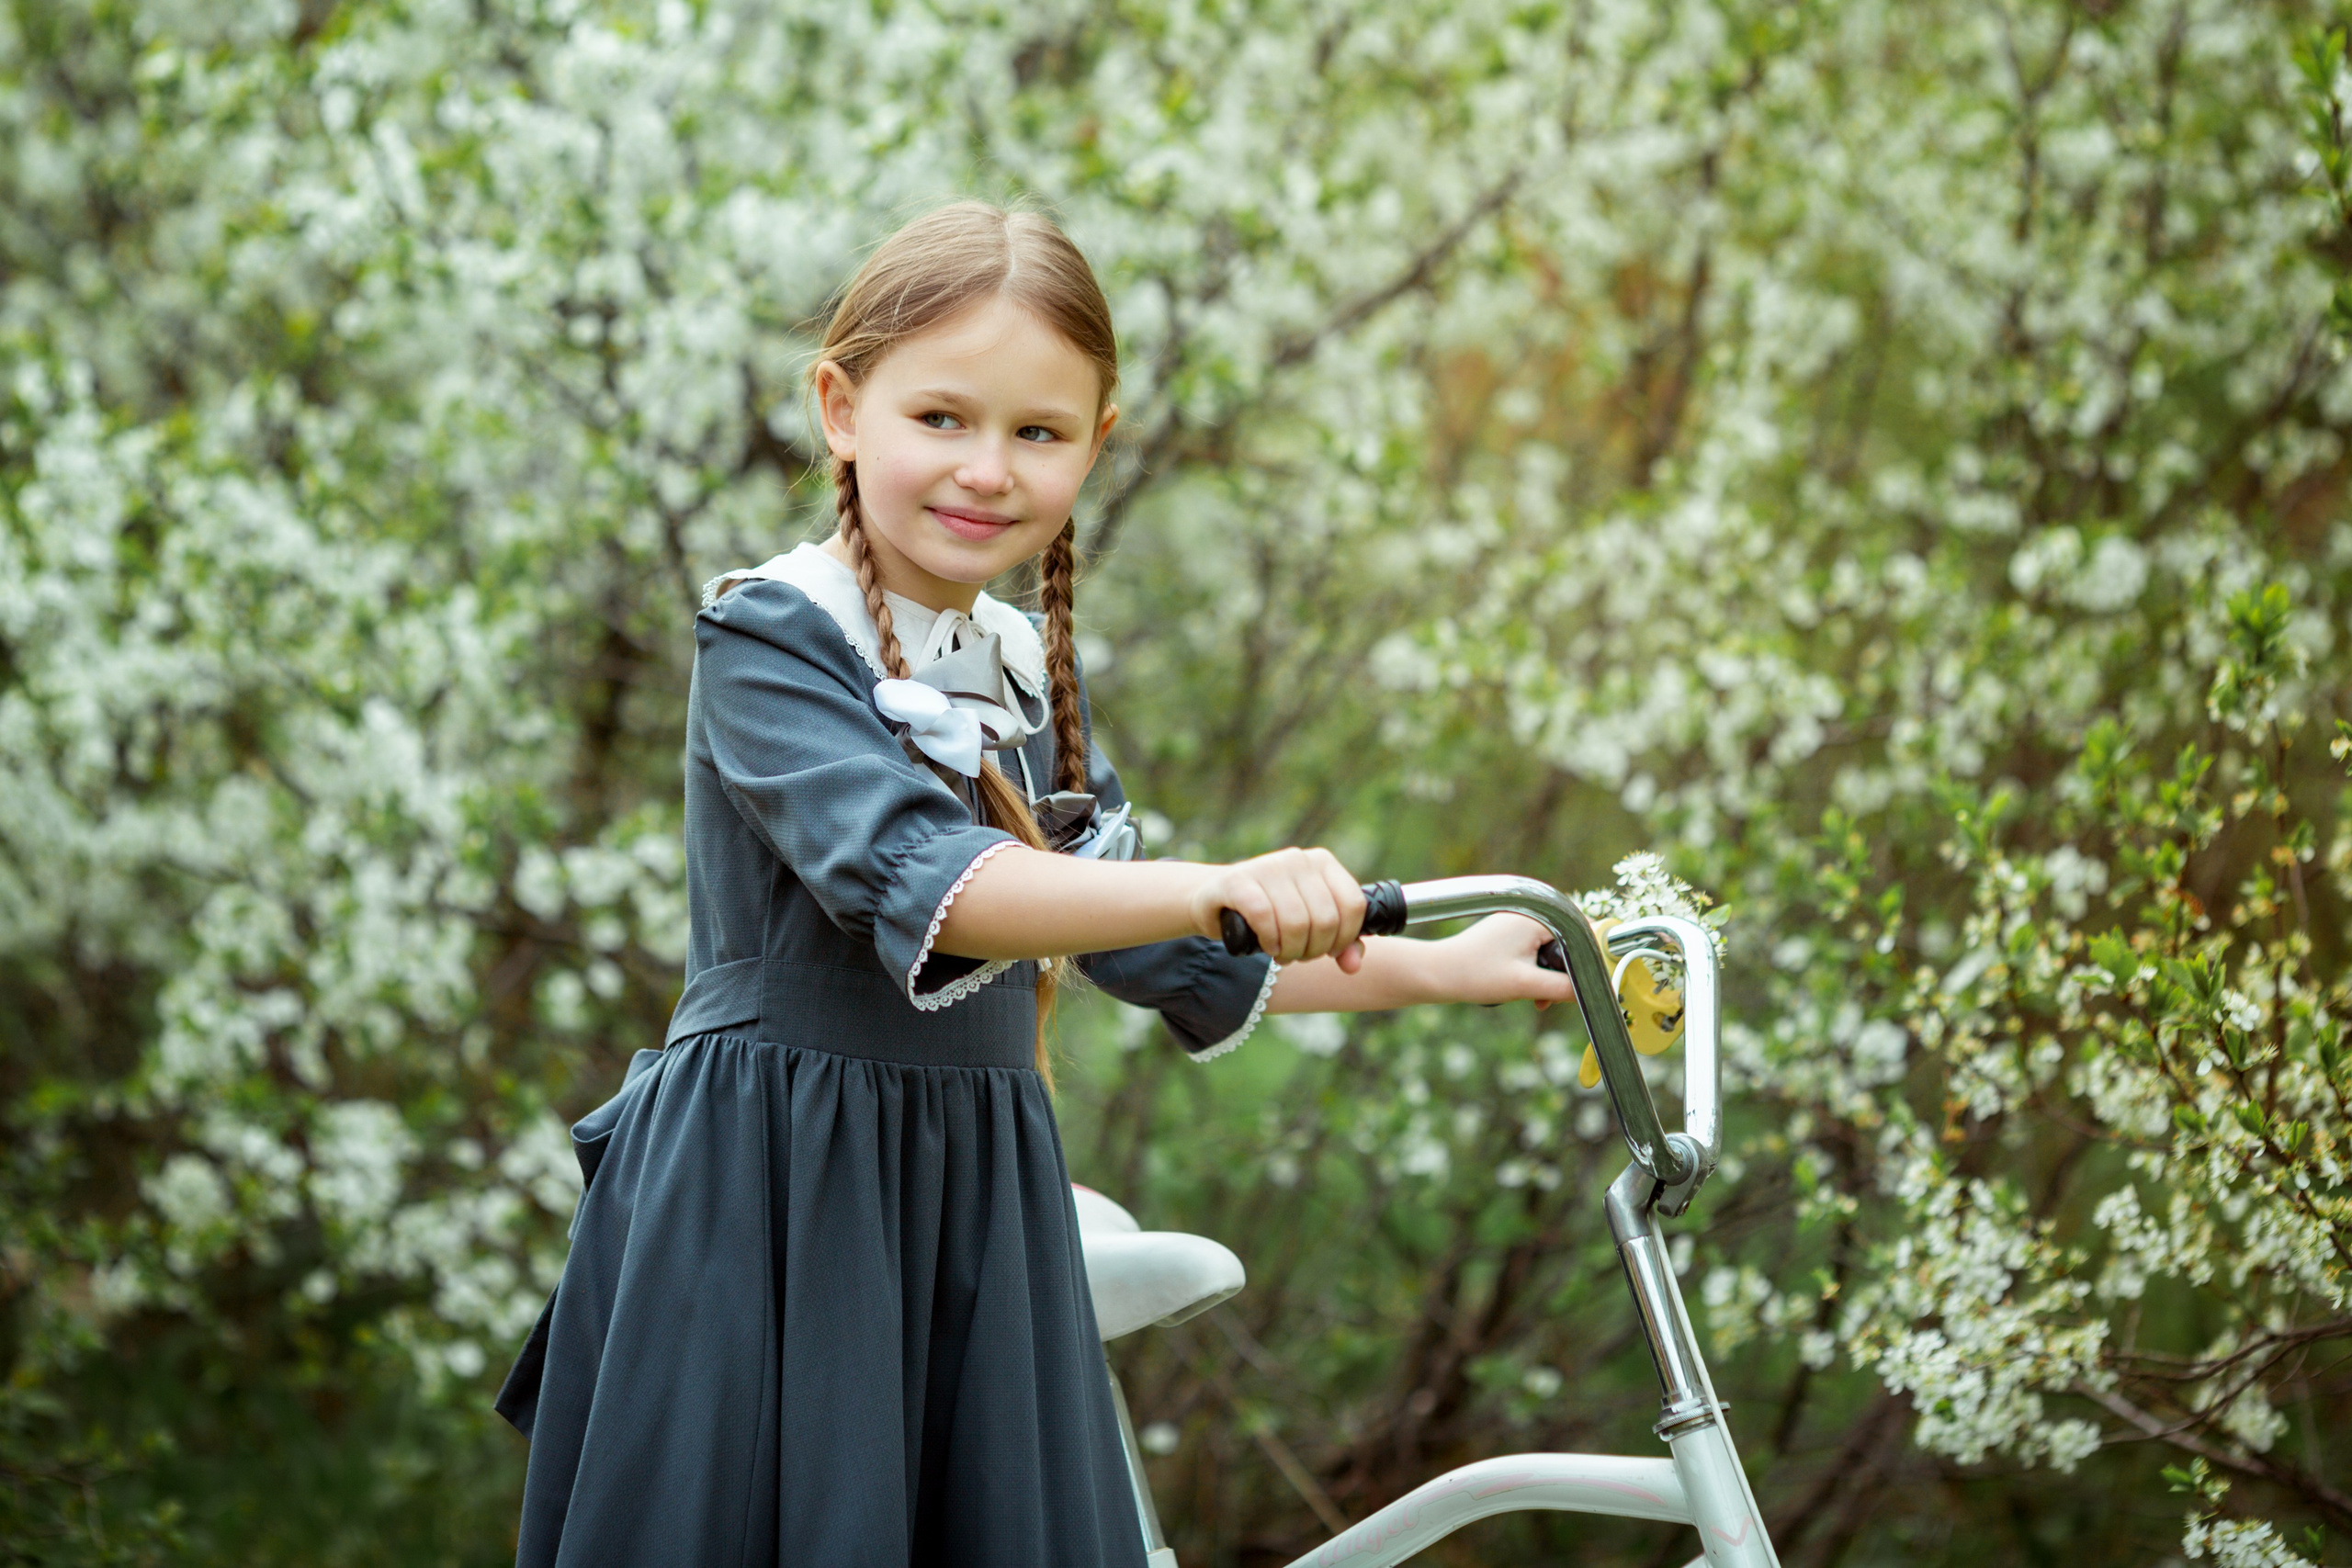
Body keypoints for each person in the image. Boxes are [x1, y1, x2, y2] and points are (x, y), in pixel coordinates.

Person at [492, 200, 1576, 1567]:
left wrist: (1449, 965)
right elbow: (954, 889)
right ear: (841, 407)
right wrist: (1209, 884)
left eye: (1038, 433)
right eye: (941, 418)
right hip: (776, 1192)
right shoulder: (770, 633)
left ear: (1097, 444)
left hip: (969, 1198)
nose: (986, 469)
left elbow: (1169, 946)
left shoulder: (1018, 676)